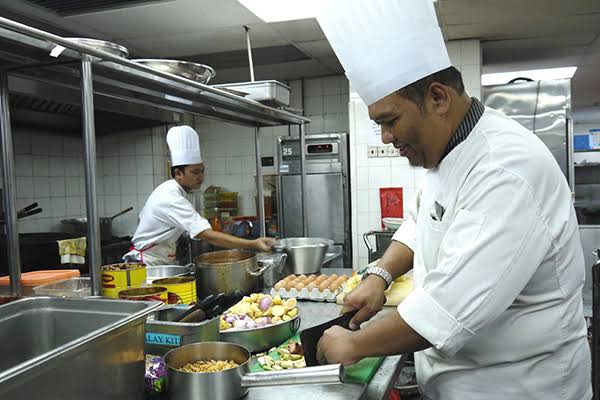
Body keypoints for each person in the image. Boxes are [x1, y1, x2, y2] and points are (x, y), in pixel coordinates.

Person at [315, 1, 592, 399]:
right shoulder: (446, 153)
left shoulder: (506, 170)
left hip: (518, 386)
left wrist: (355, 344)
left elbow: (452, 309)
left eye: (390, 121)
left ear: (438, 98)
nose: (386, 138)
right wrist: (380, 275)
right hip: (457, 380)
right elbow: (420, 221)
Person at [123, 125, 274, 265]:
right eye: (195, 172)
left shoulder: (168, 189)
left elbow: (142, 218)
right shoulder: (170, 197)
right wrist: (253, 244)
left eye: (202, 171)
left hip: (155, 262)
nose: (201, 177)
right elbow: (206, 235)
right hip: (147, 266)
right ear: (178, 174)